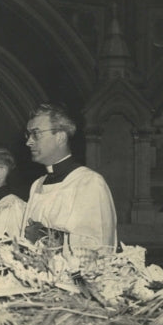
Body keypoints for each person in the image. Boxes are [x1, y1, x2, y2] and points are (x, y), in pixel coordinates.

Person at [23, 102, 117, 253]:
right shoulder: (37, 185)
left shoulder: (89, 182)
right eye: (28, 135)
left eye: (36, 134)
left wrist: (44, 236)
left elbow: (97, 245)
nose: (29, 142)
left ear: (60, 137)